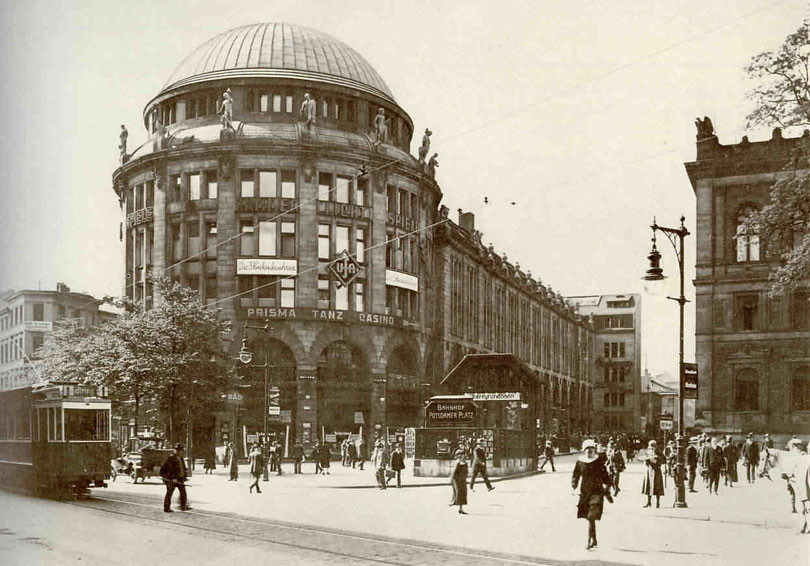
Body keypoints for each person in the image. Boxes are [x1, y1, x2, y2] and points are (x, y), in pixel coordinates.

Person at [572, 439, 612, 550]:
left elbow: (604, 474)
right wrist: (574, 484)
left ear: (594, 451)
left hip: (597, 492)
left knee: (591, 516)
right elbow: (576, 474)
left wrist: (608, 484)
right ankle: (594, 539)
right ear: (584, 451)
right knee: (588, 517)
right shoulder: (580, 462)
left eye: (591, 450)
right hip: (585, 493)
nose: (589, 452)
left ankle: (589, 540)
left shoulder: (598, 461)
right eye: (587, 450)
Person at [160, 443, 190, 513]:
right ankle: (166, 508)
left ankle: (183, 506)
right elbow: (167, 470)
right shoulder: (170, 458)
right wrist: (172, 478)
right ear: (174, 450)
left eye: (181, 450)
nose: (179, 452)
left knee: (183, 492)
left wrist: (184, 476)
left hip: (180, 479)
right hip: (172, 480)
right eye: (178, 450)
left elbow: (182, 468)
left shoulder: (181, 458)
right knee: (169, 493)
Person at [642, 440, 665, 508]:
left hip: (656, 470)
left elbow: (664, 460)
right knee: (648, 486)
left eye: (653, 447)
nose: (652, 449)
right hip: (649, 470)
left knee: (657, 486)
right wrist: (646, 461)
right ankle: (648, 502)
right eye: (651, 448)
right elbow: (645, 459)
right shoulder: (648, 452)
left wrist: (657, 460)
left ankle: (657, 502)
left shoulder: (659, 452)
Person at [449, 448, 469, 514]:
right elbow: (454, 472)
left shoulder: (465, 463)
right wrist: (451, 479)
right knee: (459, 492)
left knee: (463, 493)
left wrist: (466, 478)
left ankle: (461, 508)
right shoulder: (457, 463)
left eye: (464, 454)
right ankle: (455, 504)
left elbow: (466, 472)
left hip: (463, 480)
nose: (464, 456)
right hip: (457, 480)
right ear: (459, 456)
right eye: (462, 455)